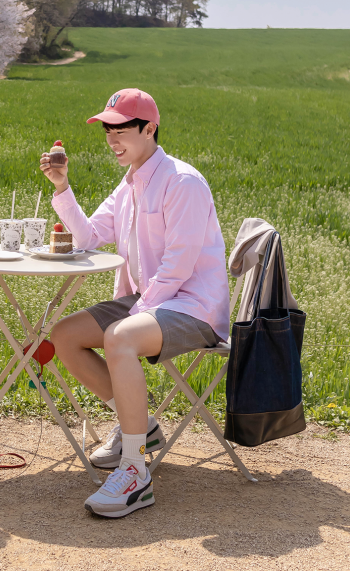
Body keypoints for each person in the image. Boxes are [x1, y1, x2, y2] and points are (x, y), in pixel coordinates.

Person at [40, 88, 229, 518]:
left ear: (149, 128)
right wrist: (62, 187)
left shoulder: (182, 182)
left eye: (121, 128)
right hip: (150, 300)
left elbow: (179, 269)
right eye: (107, 129)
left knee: (119, 338)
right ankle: (141, 428)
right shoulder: (129, 184)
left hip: (192, 306)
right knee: (65, 335)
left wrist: (136, 313)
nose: (112, 138)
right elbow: (88, 237)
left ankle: (134, 469)